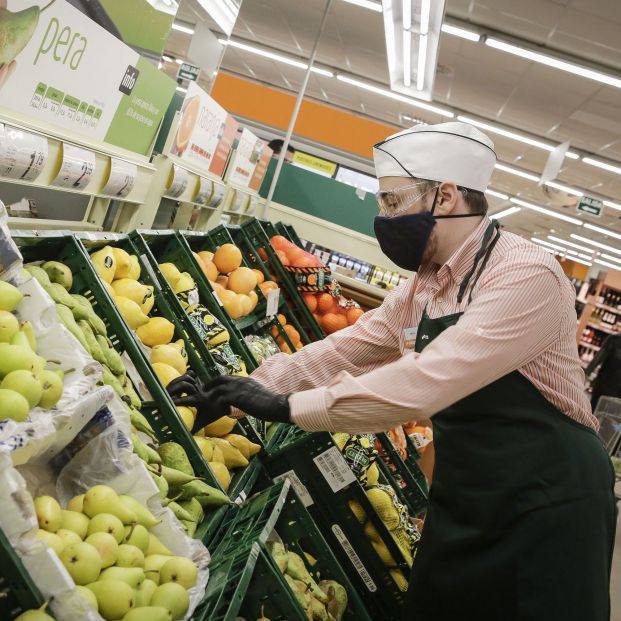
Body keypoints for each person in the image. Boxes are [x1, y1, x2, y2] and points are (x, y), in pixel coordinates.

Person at [169, 122, 617, 620]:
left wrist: (288, 408)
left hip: (548, 501)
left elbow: (429, 380)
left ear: (445, 197)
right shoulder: (423, 287)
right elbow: (343, 351)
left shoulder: (524, 275)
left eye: (392, 202)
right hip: (467, 490)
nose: (382, 217)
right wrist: (245, 388)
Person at [586, 332, 621, 410]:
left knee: (593, 412)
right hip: (614, 392)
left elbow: (597, 359)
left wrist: (586, 374)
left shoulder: (614, 339)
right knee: (610, 417)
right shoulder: (614, 339)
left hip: (603, 385)